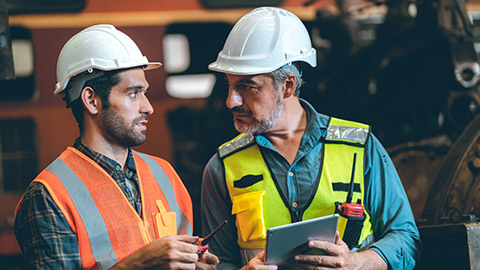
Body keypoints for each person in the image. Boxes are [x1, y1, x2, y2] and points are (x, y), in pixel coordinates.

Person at [201, 7, 421, 270]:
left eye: (247, 86)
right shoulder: (221, 167)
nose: (231, 101)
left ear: (288, 85)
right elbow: (215, 263)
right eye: (229, 84)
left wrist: (355, 262)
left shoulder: (360, 147)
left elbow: (406, 240)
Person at [14, 24, 219, 269]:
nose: (148, 107)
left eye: (145, 93)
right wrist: (140, 263)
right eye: (133, 93)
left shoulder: (165, 174)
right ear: (91, 100)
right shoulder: (49, 195)